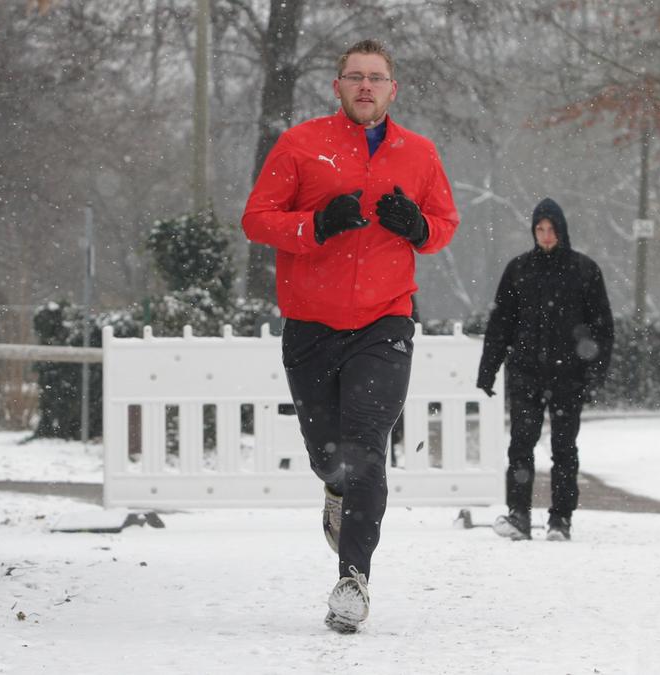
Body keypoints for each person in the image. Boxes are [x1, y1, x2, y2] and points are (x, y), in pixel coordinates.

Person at [242, 39, 459, 632]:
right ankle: (334, 490)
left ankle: (353, 580)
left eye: (377, 77)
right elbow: (256, 218)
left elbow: (444, 224)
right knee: (329, 458)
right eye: (355, 77)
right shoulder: (301, 146)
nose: (366, 86)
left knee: (366, 444)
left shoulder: (419, 153)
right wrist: (316, 224)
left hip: (385, 320)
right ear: (336, 87)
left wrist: (417, 226)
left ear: (394, 89)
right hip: (311, 324)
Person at [476, 197, 614, 542]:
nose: (546, 235)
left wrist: (594, 373)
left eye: (551, 229)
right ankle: (519, 515)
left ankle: (560, 519)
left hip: (569, 377)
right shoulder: (519, 270)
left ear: (562, 230)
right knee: (521, 445)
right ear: (533, 231)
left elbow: (602, 328)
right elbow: (500, 325)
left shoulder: (584, 270)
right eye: (540, 229)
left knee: (564, 448)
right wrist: (488, 370)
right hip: (526, 373)